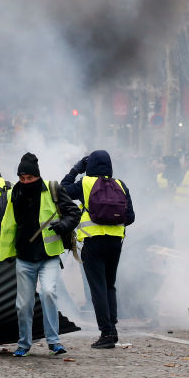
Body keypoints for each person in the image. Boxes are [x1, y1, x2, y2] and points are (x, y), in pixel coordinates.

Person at [0, 153, 81, 357]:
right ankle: (24, 344)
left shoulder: (53, 189)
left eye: (29, 178)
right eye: (22, 178)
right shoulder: (12, 194)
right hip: (24, 257)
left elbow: (74, 212)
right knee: (23, 304)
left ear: (37, 176)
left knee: (48, 293)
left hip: (49, 256)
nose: (25, 182)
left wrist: (63, 226)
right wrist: (7, 253)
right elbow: (7, 225)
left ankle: (54, 342)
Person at [61, 150, 135, 350]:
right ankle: (113, 327)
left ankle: (107, 332)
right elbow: (130, 217)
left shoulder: (85, 183)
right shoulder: (120, 185)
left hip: (93, 242)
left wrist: (76, 169)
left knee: (97, 288)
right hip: (115, 242)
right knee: (110, 285)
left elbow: (61, 190)